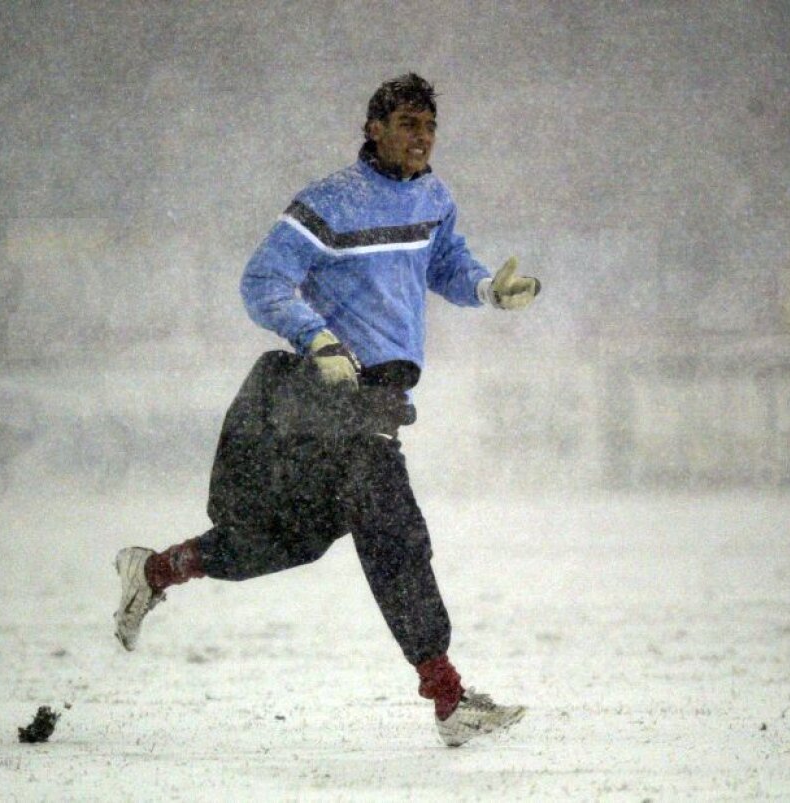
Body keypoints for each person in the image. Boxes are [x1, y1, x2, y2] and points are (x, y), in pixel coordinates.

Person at [114, 73, 541, 747]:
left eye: (430, 126)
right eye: (408, 124)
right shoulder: (329, 201)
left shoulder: (434, 198)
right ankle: (449, 700)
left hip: (378, 402)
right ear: (375, 129)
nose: (422, 137)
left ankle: (154, 570)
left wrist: (488, 288)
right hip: (331, 401)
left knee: (292, 539)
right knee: (395, 531)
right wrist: (316, 338)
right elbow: (262, 281)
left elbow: (444, 264)